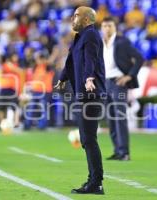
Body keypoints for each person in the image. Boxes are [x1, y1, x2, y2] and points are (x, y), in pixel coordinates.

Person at [54, 6, 105, 194]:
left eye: (76, 15)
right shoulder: (80, 37)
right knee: (86, 139)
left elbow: (92, 58)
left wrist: (90, 77)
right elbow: (70, 62)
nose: (72, 18)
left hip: (91, 93)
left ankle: (96, 183)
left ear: (86, 19)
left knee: (89, 139)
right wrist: (62, 78)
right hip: (83, 94)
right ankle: (94, 181)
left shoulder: (91, 35)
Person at [101, 17, 144, 161]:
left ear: (115, 27)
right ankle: (117, 151)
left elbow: (139, 58)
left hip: (118, 83)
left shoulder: (122, 42)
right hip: (105, 83)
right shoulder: (101, 44)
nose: (107, 28)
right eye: (105, 26)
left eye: (110, 25)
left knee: (120, 117)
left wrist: (129, 76)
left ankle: (125, 152)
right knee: (111, 119)